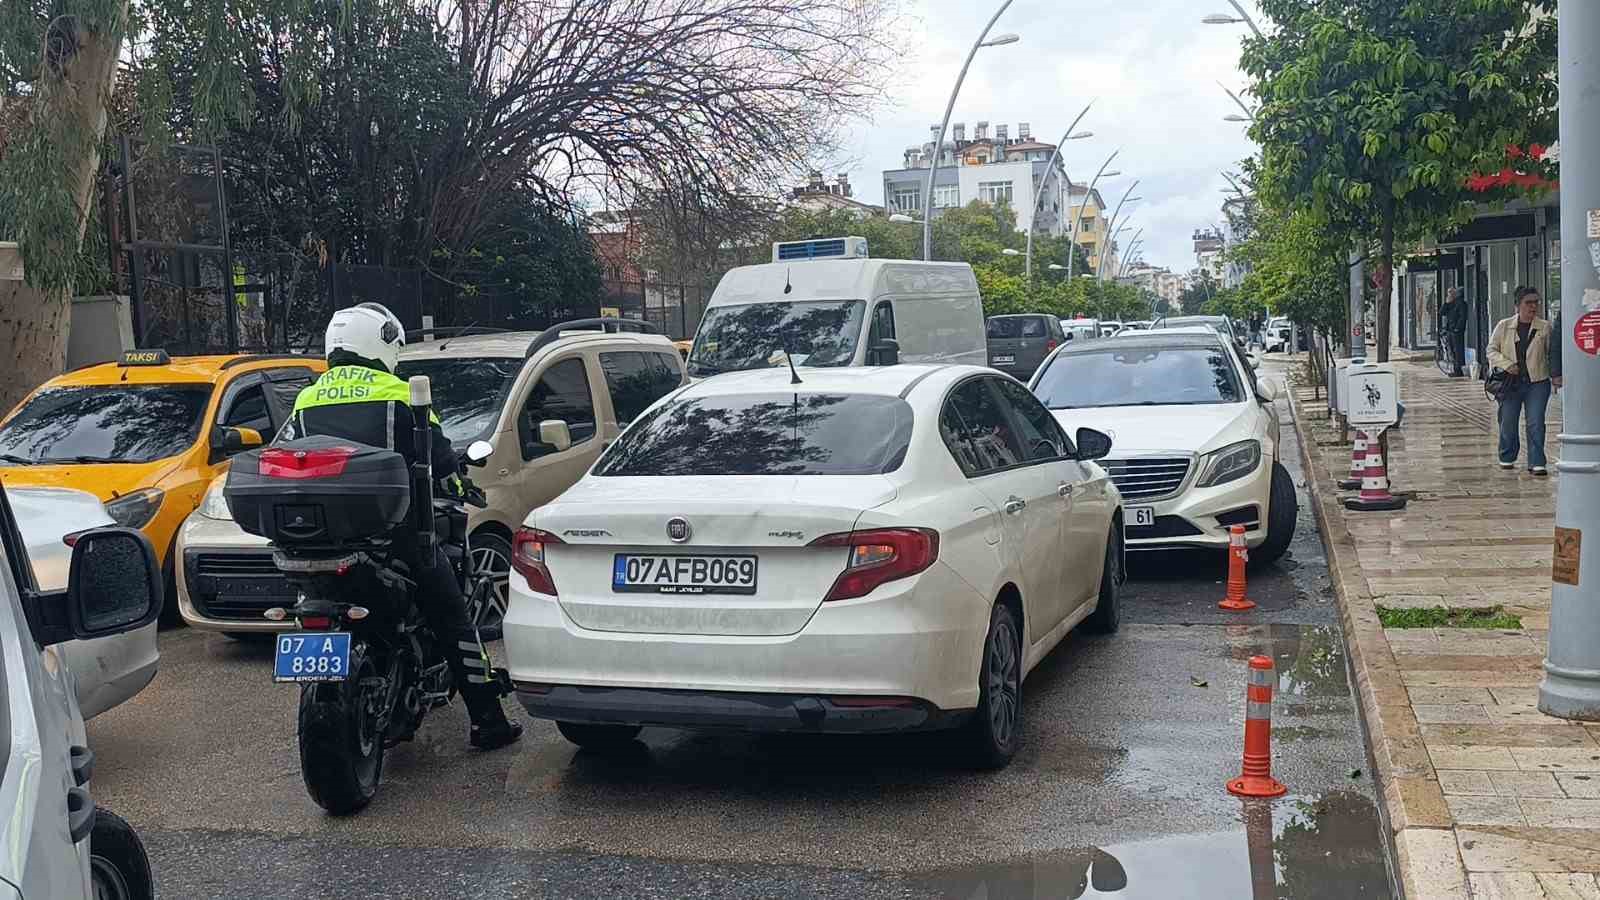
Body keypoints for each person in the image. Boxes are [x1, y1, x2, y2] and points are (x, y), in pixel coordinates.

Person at [280, 302, 523, 750]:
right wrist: (457, 482)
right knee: (452, 616)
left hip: (320, 539)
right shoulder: (400, 392)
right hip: (398, 537)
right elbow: (441, 459)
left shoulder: (307, 397)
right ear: (382, 343)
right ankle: (487, 719)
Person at [1486, 287, 1555, 476]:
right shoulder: (1503, 325)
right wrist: (1507, 365)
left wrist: (1556, 374)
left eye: (1536, 302)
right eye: (1528, 302)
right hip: (1510, 383)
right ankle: (1507, 456)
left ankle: (1537, 462)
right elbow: (1491, 350)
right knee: (1508, 421)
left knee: (1535, 422)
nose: (1533, 306)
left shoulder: (1545, 327)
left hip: (1537, 382)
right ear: (1517, 305)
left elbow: (1552, 353)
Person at [1440, 287, 1468, 377]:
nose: (1450, 295)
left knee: (1458, 351)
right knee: (1452, 351)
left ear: (1456, 293)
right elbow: (1442, 312)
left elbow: (1462, 317)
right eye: (1449, 293)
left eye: (1451, 293)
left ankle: (1458, 370)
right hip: (1450, 330)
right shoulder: (1450, 303)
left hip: (1456, 331)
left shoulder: (1461, 303)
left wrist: (1457, 328)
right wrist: (1446, 303)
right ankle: (1456, 369)